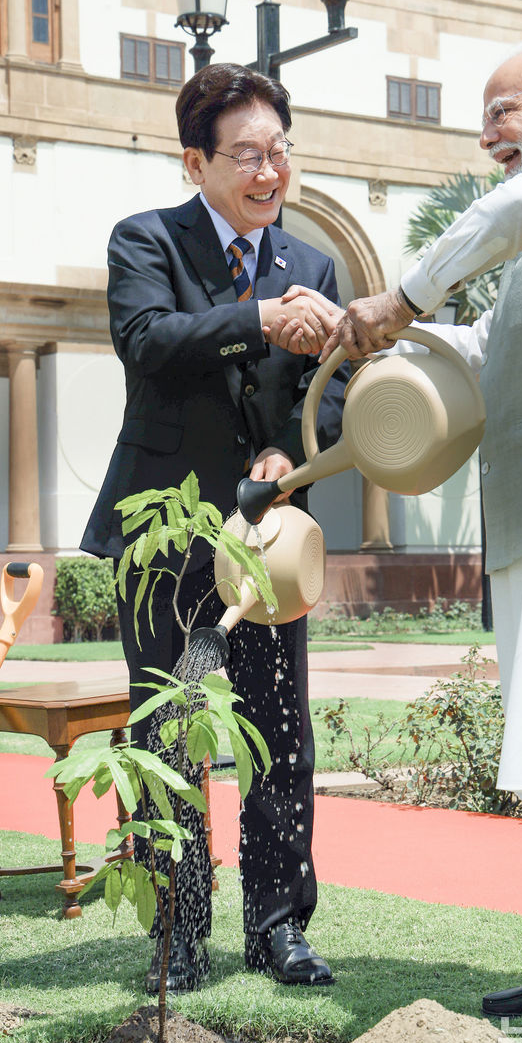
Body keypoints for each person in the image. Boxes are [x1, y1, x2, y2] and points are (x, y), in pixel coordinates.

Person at [271, 34, 522, 1043]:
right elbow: (487, 350)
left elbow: (515, 209)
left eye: (503, 111)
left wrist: (401, 293)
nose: (487, 136)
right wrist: (371, 334)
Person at [81, 62, 348, 992]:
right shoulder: (145, 239)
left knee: (279, 733)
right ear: (195, 162)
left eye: (279, 151)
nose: (269, 172)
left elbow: (330, 392)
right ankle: (180, 932)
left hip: (267, 544)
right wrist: (257, 318)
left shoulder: (313, 266)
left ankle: (279, 930)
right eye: (247, 155)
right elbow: (147, 341)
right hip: (164, 541)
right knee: (171, 733)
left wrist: (288, 452)